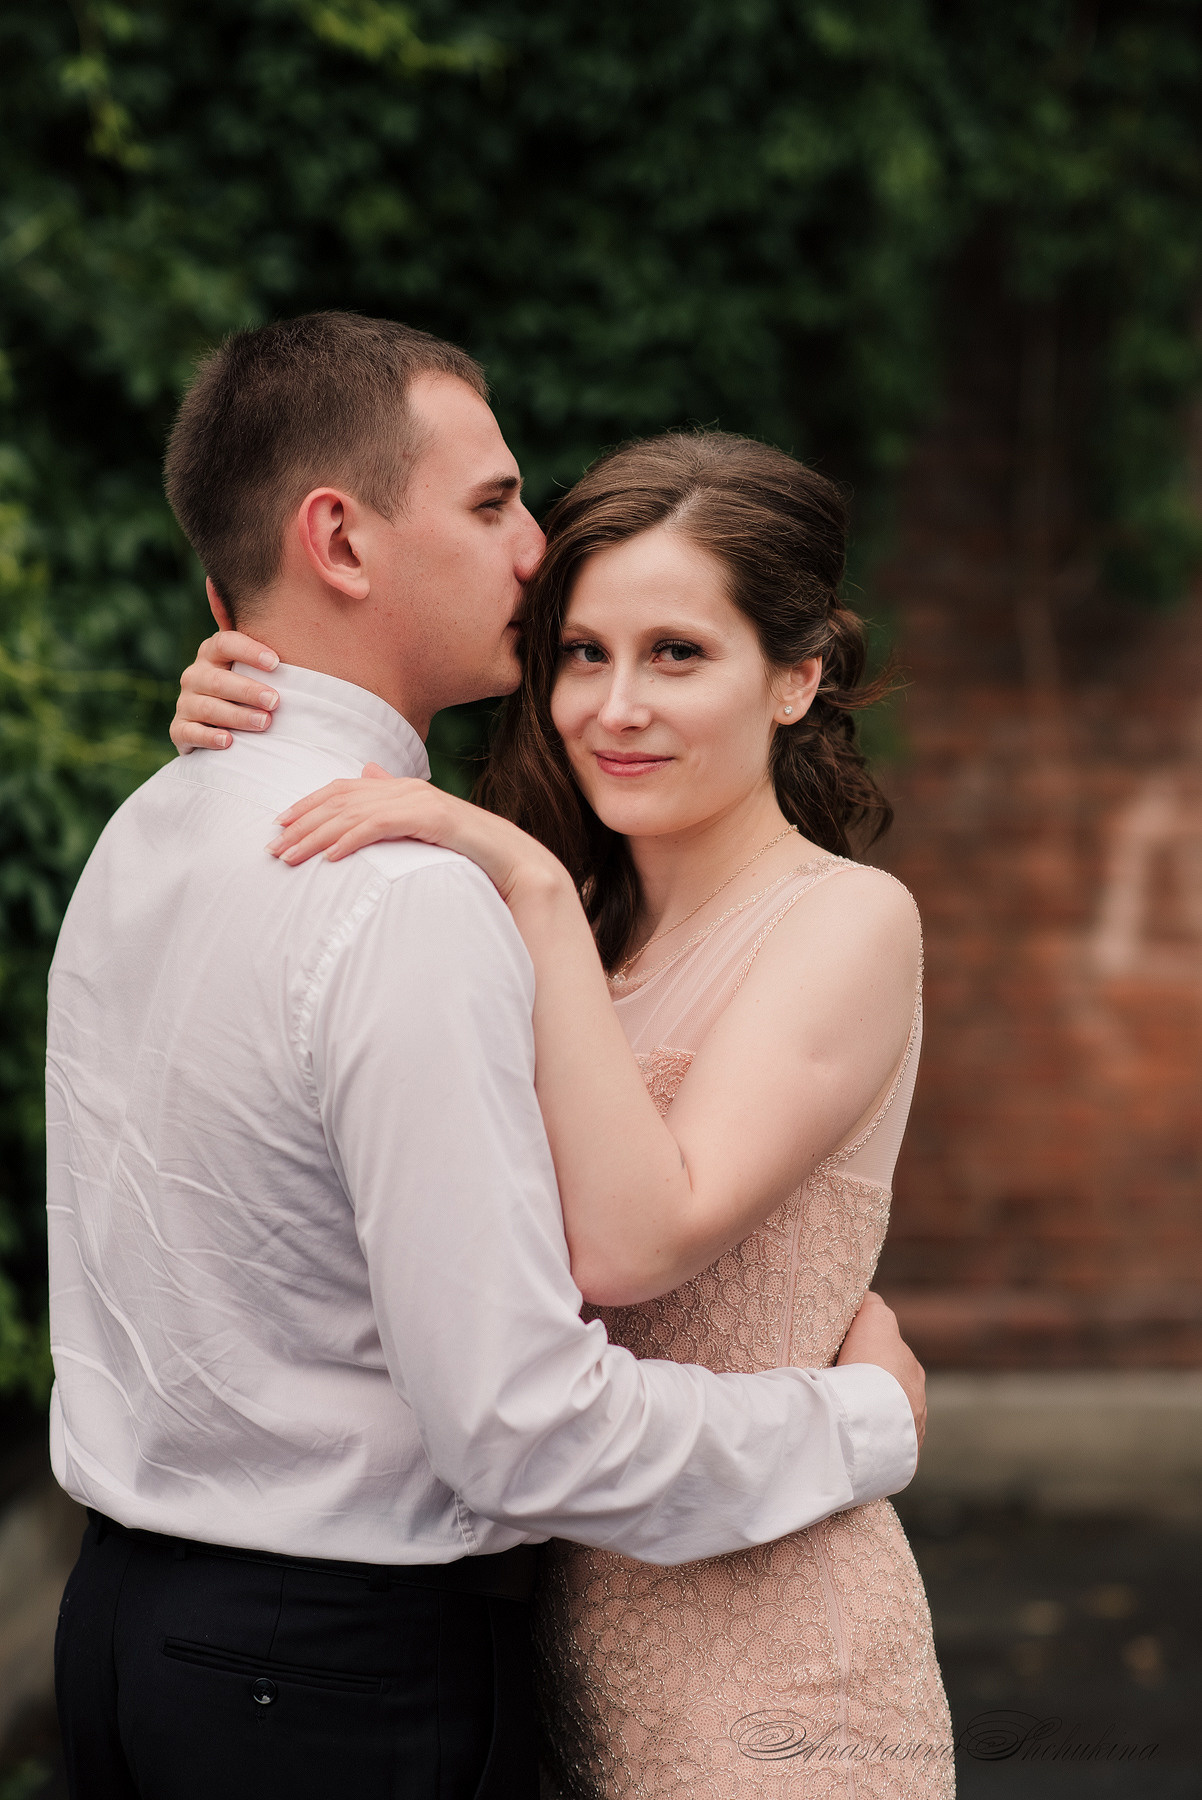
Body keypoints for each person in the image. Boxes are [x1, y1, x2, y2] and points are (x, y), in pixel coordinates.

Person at [47, 312, 927, 1800]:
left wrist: (497, 866)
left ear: (797, 677)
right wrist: (861, 1419)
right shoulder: (452, 894)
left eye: (674, 652)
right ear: (338, 538)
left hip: (685, 1639)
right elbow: (522, 1415)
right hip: (360, 1653)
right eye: (493, 504)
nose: (528, 557)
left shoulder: (168, 818)